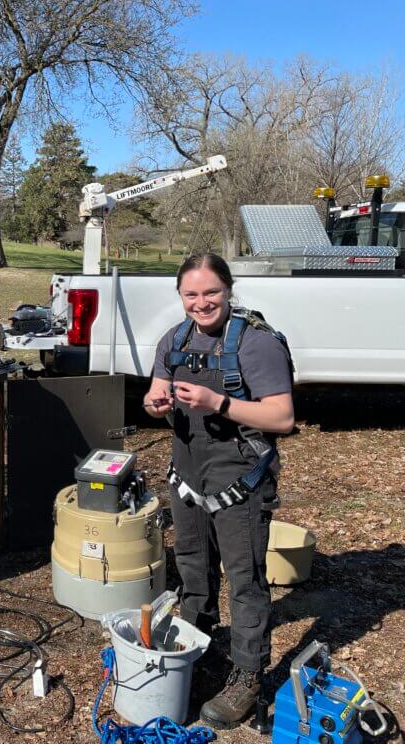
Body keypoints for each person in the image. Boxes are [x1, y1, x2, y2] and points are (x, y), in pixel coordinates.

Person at [143, 253, 294, 730]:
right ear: (180, 296)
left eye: (211, 293)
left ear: (229, 291)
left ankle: (247, 677)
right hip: (187, 477)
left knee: (245, 581)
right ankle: (196, 646)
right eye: (191, 294)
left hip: (238, 481)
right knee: (191, 569)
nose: (201, 302)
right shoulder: (175, 339)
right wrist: (154, 402)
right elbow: (154, 393)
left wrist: (219, 402)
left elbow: (282, 418)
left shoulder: (256, 344)